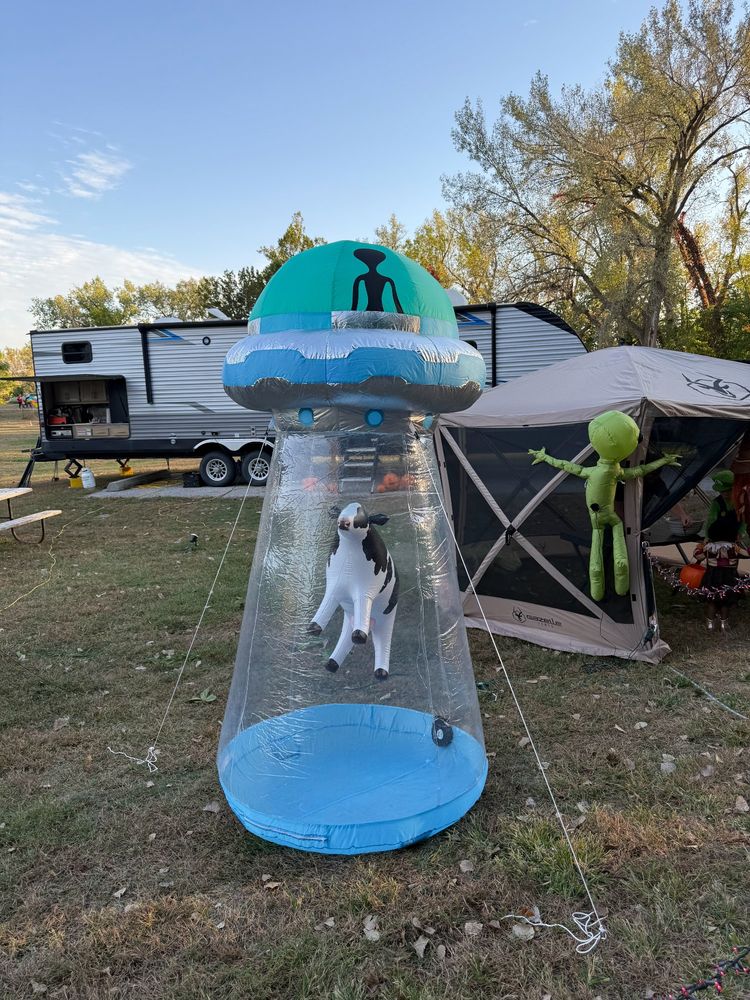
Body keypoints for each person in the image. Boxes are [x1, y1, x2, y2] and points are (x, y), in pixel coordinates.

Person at [694, 470, 748, 632]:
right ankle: (718, 615)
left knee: (728, 578)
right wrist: (707, 539)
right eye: (721, 492)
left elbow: (743, 520)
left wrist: (740, 534)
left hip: (732, 538)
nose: (723, 494)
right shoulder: (717, 503)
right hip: (719, 540)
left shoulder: (740, 501)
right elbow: (711, 520)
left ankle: (717, 617)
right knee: (723, 588)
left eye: (726, 491)